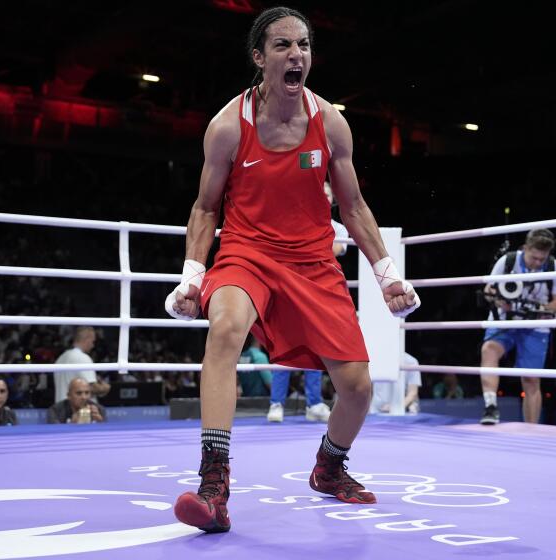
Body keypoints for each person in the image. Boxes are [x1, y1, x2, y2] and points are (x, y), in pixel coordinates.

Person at [164, 7, 420, 533]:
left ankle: (329, 467)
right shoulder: (227, 126)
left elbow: (353, 207)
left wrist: (386, 272)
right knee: (226, 328)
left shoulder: (331, 122)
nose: (296, 55)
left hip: (313, 263)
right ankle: (214, 486)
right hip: (247, 253)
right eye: (282, 46)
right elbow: (206, 208)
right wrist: (192, 277)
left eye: (303, 45)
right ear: (259, 58)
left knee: (357, 388)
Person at [266, 181, 343, 423]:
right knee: (283, 346)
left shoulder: (338, 228)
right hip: (290, 287)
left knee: (316, 349)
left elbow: (337, 249)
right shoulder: (295, 220)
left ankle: (314, 403)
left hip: (320, 291)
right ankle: (276, 403)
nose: (325, 196)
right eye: (322, 191)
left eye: (329, 193)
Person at [479, 229, 556, 425]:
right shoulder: (508, 261)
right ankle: (491, 407)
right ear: (525, 248)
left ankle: (531, 429)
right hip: (505, 319)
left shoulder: (555, 267)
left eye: (541, 259)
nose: (537, 263)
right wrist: (499, 299)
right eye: (534, 257)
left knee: (531, 379)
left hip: (536, 325)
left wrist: (540, 308)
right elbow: (488, 290)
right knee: (489, 351)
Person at [53, 326, 110, 404]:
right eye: (93, 342)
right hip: (78, 410)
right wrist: (104, 388)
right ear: (87, 339)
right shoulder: (83, 358)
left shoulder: (60, 358)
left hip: (60, 408)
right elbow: (91, 387)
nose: (93, 346)